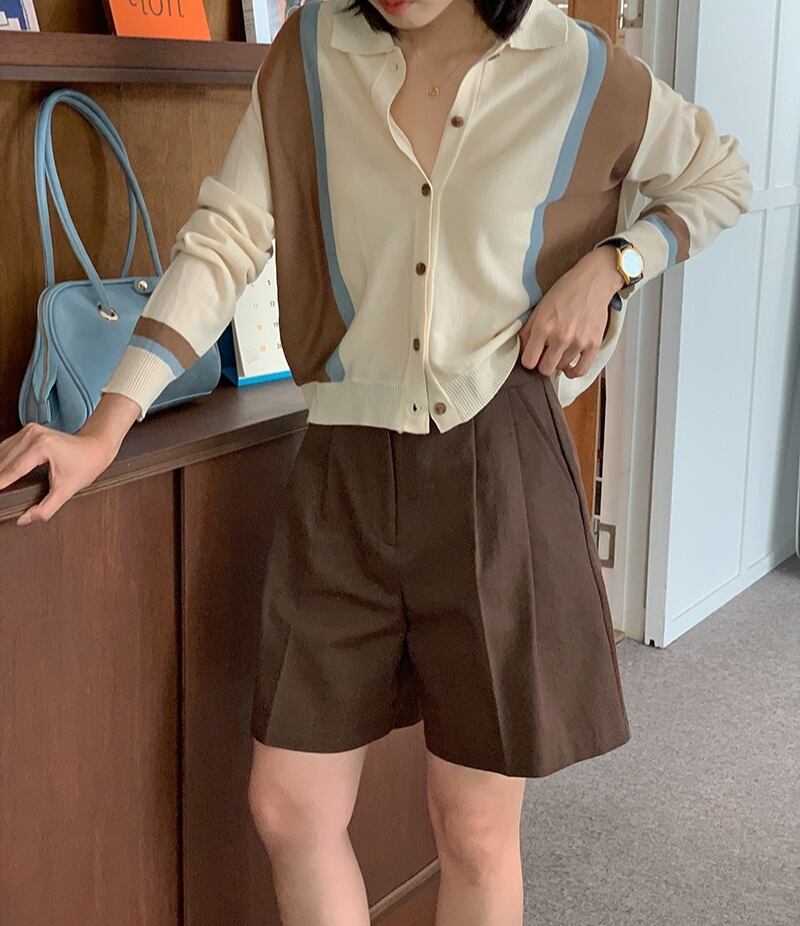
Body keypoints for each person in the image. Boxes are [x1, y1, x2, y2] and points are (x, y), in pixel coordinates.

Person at [0, 0, 752, 923]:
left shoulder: (576, 64)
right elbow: (226, 238)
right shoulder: (310, 53)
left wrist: (614, 265)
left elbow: (720, 175)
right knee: (289, 806)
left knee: (472, 829)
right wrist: (105, 428)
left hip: (496, 464)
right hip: (342, 470)